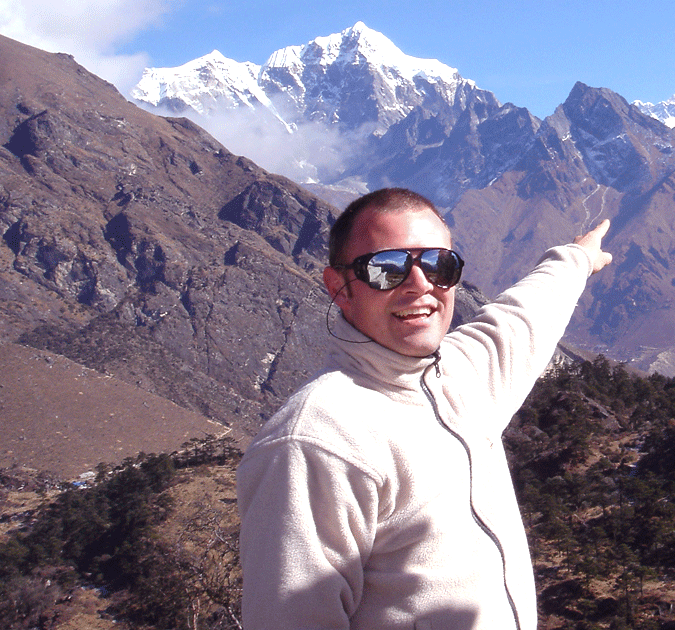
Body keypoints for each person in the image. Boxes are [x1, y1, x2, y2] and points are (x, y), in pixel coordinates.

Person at [236, 187, 612, 630]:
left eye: (439, 265)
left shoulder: (461, 376)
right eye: (386, 269)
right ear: (339, 289)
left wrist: (576, 259)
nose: (420, 284)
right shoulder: (316, 441)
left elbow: (522, 318)